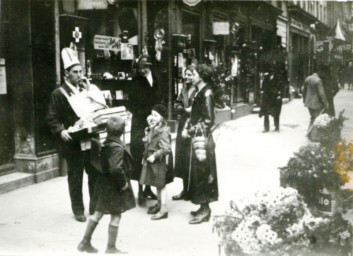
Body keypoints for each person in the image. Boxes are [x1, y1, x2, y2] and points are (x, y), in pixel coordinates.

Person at [47, 47, 106, 222]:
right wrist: (61, 130)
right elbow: (52, 117)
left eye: (81, 71)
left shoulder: (85, 89)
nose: (79, 75)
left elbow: (98, 108)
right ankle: (78, 210)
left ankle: (94, 206)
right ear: (67, 74)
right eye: (75, 72)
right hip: (73, 141)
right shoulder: (58, 93)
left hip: (90, 138)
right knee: (75, 177)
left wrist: (90, 91)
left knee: (94, 173)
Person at [77, 116, 136, 254]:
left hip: (104, 184)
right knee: (116, 215)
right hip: (114, 186)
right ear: (122, 131)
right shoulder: (117, 147)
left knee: (98, 213)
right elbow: (116, 168)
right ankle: (111, 248)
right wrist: (123, 183)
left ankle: (85, 242)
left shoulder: (106, 143)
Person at [182, 64, 219, 224]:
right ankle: (202, 206)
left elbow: (209, 120)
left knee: (204, 172)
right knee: (199, 172)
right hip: (199, 138)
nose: (190, 76)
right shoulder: (201, 91)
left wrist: (190, 130)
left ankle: (205, 210)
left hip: (202, 140)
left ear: (201, 76)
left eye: (194, 73)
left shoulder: (207, 93)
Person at [128, 54, 162, 206]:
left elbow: (159, 97)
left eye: (146, 67)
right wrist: (146, 115)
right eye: (141, 67)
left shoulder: (155, 79)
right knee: (138, 153)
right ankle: (140, 190)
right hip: (139, 123)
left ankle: (148, 187)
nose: (143, 70)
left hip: (153, 121)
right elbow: (132, 104)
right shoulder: (135, 81)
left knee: (151, 152)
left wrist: (155, 116)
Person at [139, 104, 172, 220]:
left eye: (156, 115)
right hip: (151, 159)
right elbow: (149, 143)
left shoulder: (163, 131)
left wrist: (155, 155)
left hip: (159, 161)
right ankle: (159, 204)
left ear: (162, 118)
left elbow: (167, 149)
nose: (153, 117)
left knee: (161, 185)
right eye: (152, 114)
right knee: (157, 184)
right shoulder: (153, 128)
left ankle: (163, 210)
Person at [172, 66, 197, 201]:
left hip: (193, 125)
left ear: (195, 75)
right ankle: (184, 189)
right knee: (182, 158)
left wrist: (190, 110)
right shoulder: (183, 89)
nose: (187, 77)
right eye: (186, 74)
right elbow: (176, 103)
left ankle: (192, 191)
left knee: (192, 158)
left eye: (190, 74)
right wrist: (181, 108)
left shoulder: (198, 90)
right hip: (182, 124)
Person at [259, 62, 284, 132]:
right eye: (270, 70)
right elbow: (263, 86)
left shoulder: (278, 77)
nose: (271, 71)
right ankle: (266, 128)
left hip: (275, 98)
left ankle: (277, 127)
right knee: (266, 113)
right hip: (267, 98)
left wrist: (280, 95)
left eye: (272, 70)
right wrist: (262, 91)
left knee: (276, 113)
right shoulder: (266, 77)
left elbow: (281, 87)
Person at [303, 67, 329, 133]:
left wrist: (304, 100)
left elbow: (304, 91)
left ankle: (309, 131)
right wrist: (326, 103)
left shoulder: (307, 78)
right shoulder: (318, 80)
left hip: (308, 102)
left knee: (312, 117)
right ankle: (312, 133)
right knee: (316, 118)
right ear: (319, 72)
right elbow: (322, 93)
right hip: (316, 103)